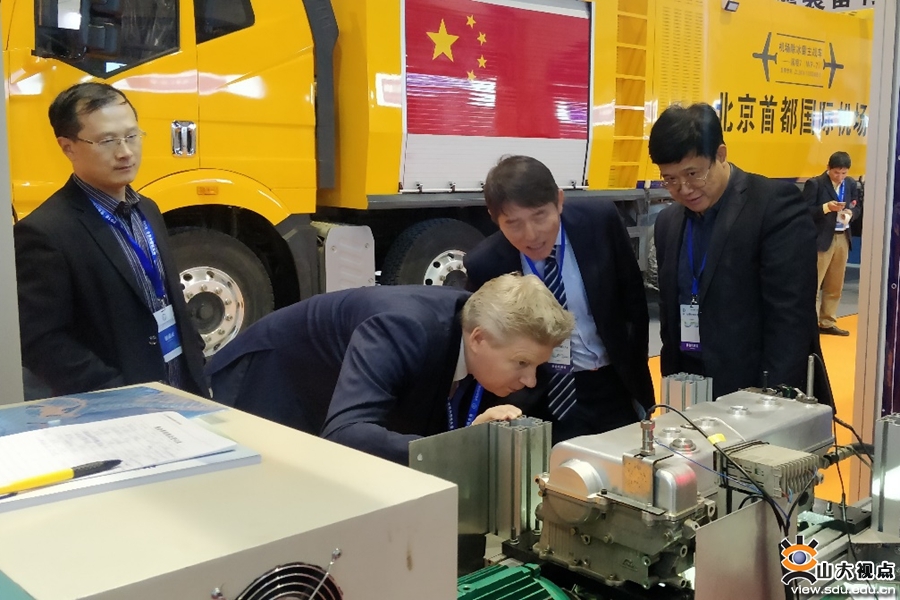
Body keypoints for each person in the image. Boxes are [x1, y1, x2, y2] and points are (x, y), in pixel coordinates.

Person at [206, 273, 575, 464]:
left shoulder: (472, 323)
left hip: (321, 391)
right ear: (478, 339)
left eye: (536, 366)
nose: (530, 380)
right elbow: (346, 434)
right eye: (522, 363)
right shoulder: (403, 329)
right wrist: (455, 449)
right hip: (267, 384)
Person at [14, 83, 207, 397]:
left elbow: (168, 297)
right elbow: (40, 340)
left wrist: (196, 364)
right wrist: (116, 392)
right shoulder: (45, 232)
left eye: (131, 136)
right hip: (119, 404)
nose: (125, 152)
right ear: (68, 147)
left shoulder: (147, 209)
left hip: (181, 390)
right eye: (107, 141)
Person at [464, 155, 654, 443]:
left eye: (540, 216)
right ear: (495, 218)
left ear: (559, 201)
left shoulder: (599, 221)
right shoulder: (486, 264)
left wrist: (634, 374)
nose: (531, 235)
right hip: (542, 397)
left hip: (612, 384)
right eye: (513, 223)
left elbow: (633, 302)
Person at [649, 103, 824, 401]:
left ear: (720, 154)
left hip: (753, 390)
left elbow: (790, 319)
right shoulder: (668, 222)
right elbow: (669, 317)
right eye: (670, 179)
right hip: (688, 388)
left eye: (693, 173)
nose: (684, 188)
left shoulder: (773, 206)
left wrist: (770, 400)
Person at [804, 151, 861, 337]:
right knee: (814, 284)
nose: (840, 176)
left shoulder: (850, 183)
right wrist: (826, 208)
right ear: (828, 168)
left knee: (835, 284)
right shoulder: (815, 184)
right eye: (837, 172)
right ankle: (809, 324)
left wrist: (851, 214)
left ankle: (827, 321)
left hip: (842, 236)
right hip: (821, 239)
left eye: (844, 173)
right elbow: (804, 211)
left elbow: (857, 207)